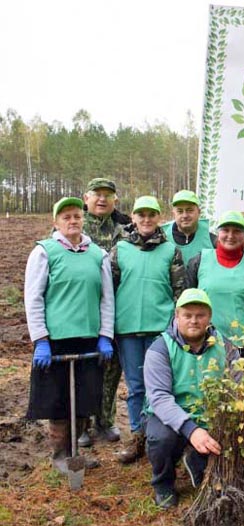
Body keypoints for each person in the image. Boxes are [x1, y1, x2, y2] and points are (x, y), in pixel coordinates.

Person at [143, 288, 244, 509]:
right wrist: (191, 430)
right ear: (177, 316)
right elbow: (160, 397)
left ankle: (197, 460)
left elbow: (238, 392)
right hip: (171, 416)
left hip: (212, 415)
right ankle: (163, 483)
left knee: (230, 455)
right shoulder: (160, 349)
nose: (194, 321)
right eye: (187, 315)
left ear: (209, 317)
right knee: (161, 439)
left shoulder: (226, 346)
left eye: (200, 315)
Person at [25, 197, 115, 473]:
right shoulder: (44, 252)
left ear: (83, 219)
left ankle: (76, 451)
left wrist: (105, 335)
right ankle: (60, 455)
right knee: (58, 400)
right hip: (55, 341)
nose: (73, 221)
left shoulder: (97, 255)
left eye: (77, 216)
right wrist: (41, 340)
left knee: (86, 399)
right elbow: (33, 298)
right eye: (66, 217)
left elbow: (106, 299)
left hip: (89, 339)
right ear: (56, 222)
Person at [186, 210, 244, 457]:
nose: (230, 235)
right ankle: (212, 451)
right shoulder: (199, 261)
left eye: (237, 231)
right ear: (217, 233)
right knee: (210, 401)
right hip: (207, 346)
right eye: (225, 230)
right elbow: (184, 303)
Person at [111, 196, 186, 464]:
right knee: (135, 386)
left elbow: (180, 292)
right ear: (133, 217)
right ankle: (137, 435)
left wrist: (175, 328)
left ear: (158, 217)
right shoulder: (119, 249)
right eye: (141, 215)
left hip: (159, 331)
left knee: (162, 386)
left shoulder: (170, 251)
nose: (146, 219)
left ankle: (160, 435)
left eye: (151, 214)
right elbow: (110, 289)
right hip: (128, 329)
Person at [79, 177, 128, 447]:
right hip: (84, 310)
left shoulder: (124, 228)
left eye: (107, 195)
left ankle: (105, 420)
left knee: (111, 369)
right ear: (86, 198)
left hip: (116, 309)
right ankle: (82, 423)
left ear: (115, 201)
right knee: (86, 367)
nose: (102, 199)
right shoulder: (77, 227)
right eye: (96, 194)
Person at [162, 190, 216, 266]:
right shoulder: (162, 238)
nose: (185, 215)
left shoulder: (212, 241)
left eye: (190, 210)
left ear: (199, 212)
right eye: (180, 211)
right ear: (174, 214)